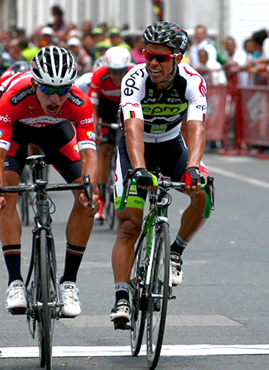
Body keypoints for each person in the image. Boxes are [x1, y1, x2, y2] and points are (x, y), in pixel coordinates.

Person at [109, 21, 212, 328]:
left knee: (204, 193)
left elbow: (196, 127)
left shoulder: (193, 81)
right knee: (129, 224)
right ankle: (122, 296)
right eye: (148, 55)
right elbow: (132, 128)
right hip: (134, 149)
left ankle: (176, 251)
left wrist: (193, 167)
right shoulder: (135, 78)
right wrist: (139, 169)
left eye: (161, 58)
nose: (152, 63)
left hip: (170, 146)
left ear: (177, 58)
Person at [0, 46, 100, 318]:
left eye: (63, 90)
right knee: (6, 195)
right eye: (48, 89)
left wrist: (89, 188)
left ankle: (69, 283)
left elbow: (89, 154)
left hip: (56, 134)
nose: (56, 98)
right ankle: (15, 282)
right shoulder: (14, 96)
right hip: (18, 134)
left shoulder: (79, 101)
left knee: (88, 200)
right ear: (35, 82)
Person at [88, 46, 134, 222]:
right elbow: (92, 107)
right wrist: (94, 130)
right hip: (106, 109)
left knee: (130, 148)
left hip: (126, 106)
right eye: (113, 71)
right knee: (105, 150)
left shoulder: (134, 72)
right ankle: (101, 197)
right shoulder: (99, 75)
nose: (117, 76)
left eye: (121, 71)